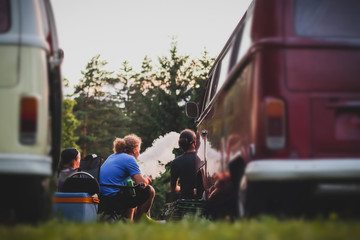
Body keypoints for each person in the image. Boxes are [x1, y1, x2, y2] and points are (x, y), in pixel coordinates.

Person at [99, 134, 155, 221]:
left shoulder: (113, 156)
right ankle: (139, 223)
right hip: (113, 199)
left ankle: (128, 221)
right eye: (139, 150)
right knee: (150, 190)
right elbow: (142, 185)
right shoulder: (129, 159)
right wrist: (147, 179)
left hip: (102, 197)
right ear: (135, 150)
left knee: (131, 192)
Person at [170, 129, 204, 199]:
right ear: (195, 143)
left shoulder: (176, 162)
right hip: (202, 200)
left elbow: (172, 189)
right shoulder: (203, 158)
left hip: (185, 201)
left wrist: (183, 189)